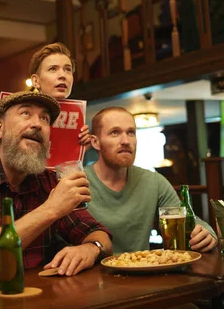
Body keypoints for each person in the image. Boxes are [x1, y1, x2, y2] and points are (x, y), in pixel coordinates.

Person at [0, 91, 113, 277]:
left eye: (45, 118)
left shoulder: (50, 181)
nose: (37, 124)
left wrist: (90, 249)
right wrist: (51, 209)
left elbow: (99, 234)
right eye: (25, 113)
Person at [86, 107, 217, 254]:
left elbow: (186, 220)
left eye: (131, 133)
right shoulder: (78, 182)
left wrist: (206, 233)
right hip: (92, 273)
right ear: (95, 142)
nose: (125, 141)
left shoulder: (153, 181)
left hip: (141, 271)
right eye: (115, 133)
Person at [0, 43, 90, 151]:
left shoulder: (79, 119)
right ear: (36, 80)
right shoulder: (13, 110)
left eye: (68, 69)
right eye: (53, 69)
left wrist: (80, 151)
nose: (62, 75)